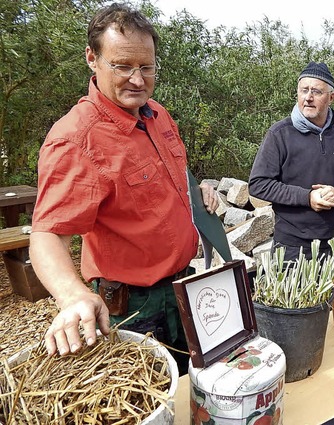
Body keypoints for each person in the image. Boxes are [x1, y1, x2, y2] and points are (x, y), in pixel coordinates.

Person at [29, 3, 218, 373]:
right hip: (134, 308)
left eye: (146, 68)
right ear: (92, 58)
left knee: (192, 385)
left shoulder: (158, 114)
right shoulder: (75, 139)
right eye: (122, 66)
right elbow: (47, 235)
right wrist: (74, 296)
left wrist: (197, 193)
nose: (137, 79)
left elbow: (170, 178)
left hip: (183, 287)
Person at [248, 62, 334, 264]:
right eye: (304, 91)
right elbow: (258, 184)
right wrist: (307, 197)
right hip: (291, 246)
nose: (308, 98)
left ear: (332, 97)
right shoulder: (279, 134)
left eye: (316, 92)